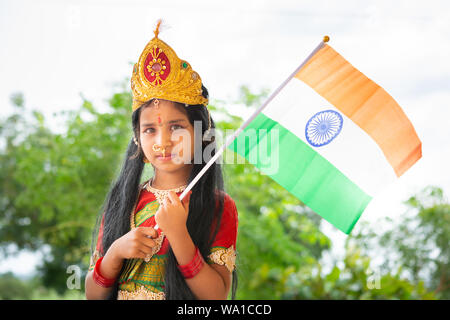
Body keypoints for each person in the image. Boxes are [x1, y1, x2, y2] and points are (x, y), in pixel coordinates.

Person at [85, 20, 238, 300]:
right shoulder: (124, 200)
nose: (162, 141)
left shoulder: (217, 206)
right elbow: (93, 295)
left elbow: (215, 296)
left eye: (177, 127)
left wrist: (178, 233)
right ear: (137, 139)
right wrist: (116, 252)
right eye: (150, 130)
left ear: (200, 134)